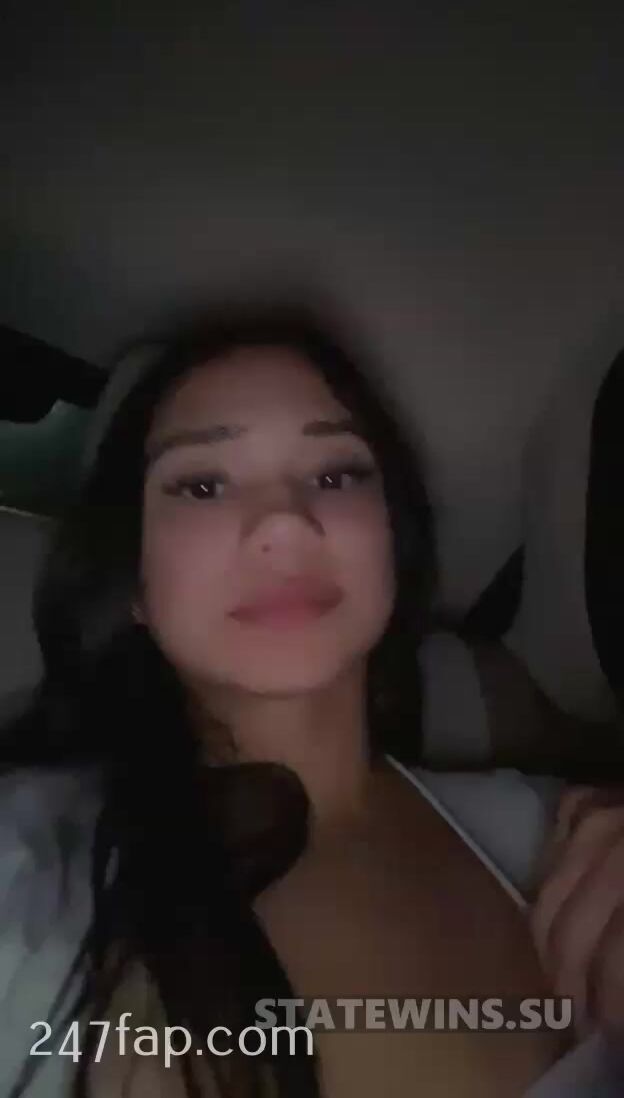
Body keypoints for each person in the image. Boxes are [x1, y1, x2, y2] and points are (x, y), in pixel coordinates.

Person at [0, 300, 620, 1098]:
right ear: (135, 586)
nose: (286, 524)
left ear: (391, 540)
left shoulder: (559, 837)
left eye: (336, 475)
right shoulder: (30, 860)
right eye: (202, 484)